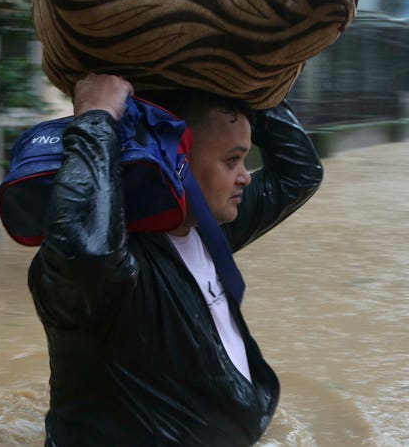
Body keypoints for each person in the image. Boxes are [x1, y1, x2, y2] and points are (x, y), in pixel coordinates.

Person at [27, 73, 323, 446]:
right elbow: (84, 251)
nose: (246, 177)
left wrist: (252, 81)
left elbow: (300, 172)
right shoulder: (110, 275)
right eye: (232, 160)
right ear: (175, 160)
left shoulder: (208, 229)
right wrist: (96, 119)